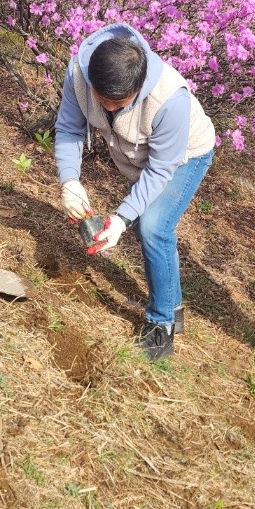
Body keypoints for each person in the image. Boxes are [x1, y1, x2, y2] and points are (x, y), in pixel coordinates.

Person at [54, 24, 215, 360]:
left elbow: (160, 169)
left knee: (154, 227)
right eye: (103, 100)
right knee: (145, 227)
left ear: (139, 87)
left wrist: (122, 217)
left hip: (184, 156)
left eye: (119, 103)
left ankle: (162, 323)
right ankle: (172, 306)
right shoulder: (79, 75)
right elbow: (69, 128)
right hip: (139, 160)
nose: (109, 110)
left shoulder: (170, 98)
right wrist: (70, 181)